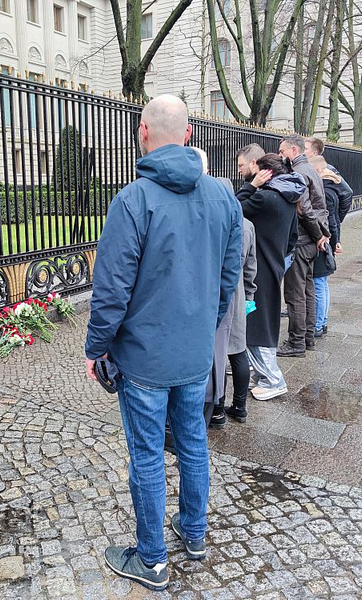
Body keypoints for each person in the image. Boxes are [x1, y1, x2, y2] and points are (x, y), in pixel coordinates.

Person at [85, 95, 243, 591]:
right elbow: (228, 279)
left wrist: (96, 348)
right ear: (189, 134)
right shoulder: (224, 197)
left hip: (145, 359)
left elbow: (111, 289)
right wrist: (205, 325)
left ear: (143, 132)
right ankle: (193, 533)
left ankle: (152, 559)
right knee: (193, 442)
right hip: (194, 352)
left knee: (148, 454)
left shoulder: (133, 200)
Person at [236, 150, 306, 401]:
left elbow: (233, 209)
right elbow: (293, 239)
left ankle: (274, 379)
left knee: (255, 324)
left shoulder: (264, 197)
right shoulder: (288, 198)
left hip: (258, 271)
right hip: (273, 266)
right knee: (260, 321)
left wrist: (251, 186)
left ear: (265, 173)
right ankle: (262, 375)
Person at [195, 147, 258, 427]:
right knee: (238, 351)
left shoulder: (211, 222)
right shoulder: (247, 225)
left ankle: (217, 410)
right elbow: (250, 266)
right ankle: (240, 406)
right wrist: (250, 295)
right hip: (239, 294)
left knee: (216, 353)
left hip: (218, 292)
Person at [278, 134, 330, 358]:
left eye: (282, 151)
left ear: (293, 150)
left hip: (302, 240)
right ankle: (308, 337)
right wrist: (321, 235)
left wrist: (318, 235)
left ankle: (296, 342)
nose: (280, 155)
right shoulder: (310, 169)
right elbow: (320, 206)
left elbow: (304, 209)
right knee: (307, 289)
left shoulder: (298, 172)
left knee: (295, 294)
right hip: (310, 240)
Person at [309, 155, 342, 339]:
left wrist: (330, 240)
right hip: (326, 241)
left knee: (319, 284)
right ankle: (323, 321)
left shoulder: (324, 191)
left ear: (318, 171)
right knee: (322, 284)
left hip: (322, 242)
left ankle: (319, 324)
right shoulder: (331, 188)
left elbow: (331, 220)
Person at [305, 137, 354, 250]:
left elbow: (347, 192)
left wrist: (338, 218)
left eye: (305, 148)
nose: (302, 150)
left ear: (314, 153)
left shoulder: (327, 170)